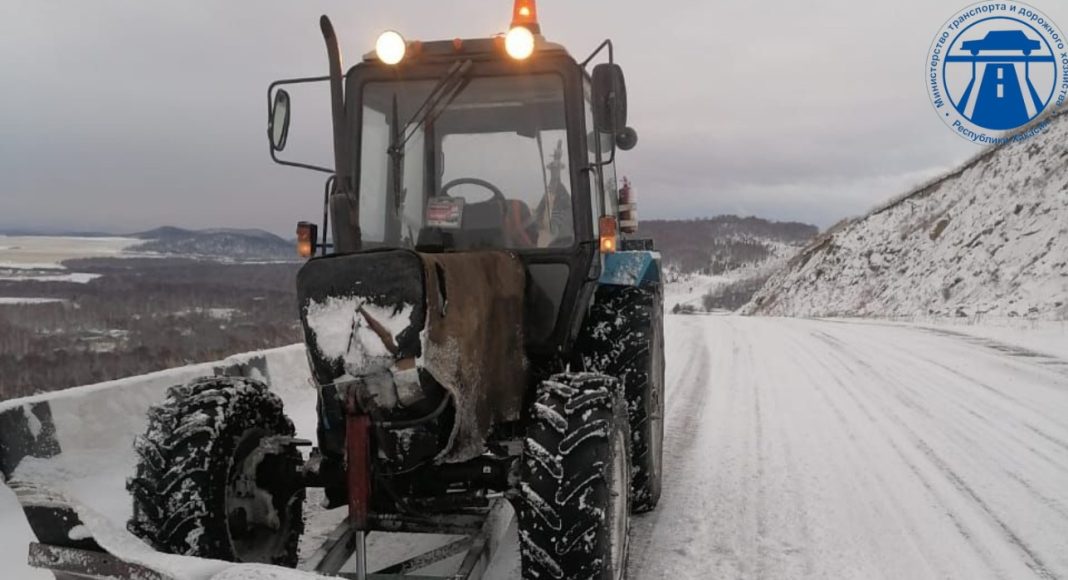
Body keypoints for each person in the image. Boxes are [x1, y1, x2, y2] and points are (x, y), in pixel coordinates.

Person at [531, 140, 573, 247]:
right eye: (553, 170)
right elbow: (540, 215)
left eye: (556, 170)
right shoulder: (548, 194)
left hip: (562, 242)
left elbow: (556, 222)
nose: (554, 172)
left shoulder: (563, 197)